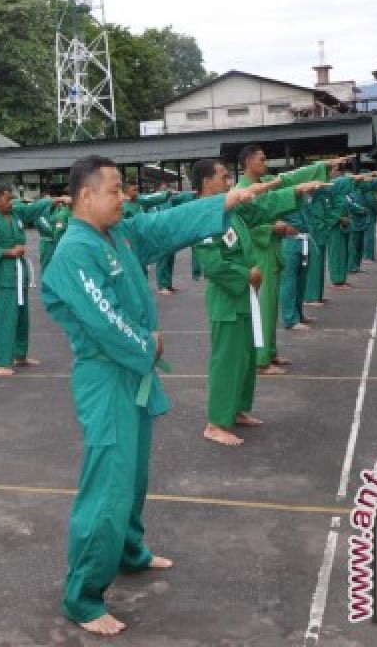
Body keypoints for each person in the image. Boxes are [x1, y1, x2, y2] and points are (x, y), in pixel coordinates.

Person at [41, 155, 263, 636]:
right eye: (116, 190)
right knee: (107, 487)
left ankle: (129, 551)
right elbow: (102, 320)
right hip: (107, 377)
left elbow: (162, 227)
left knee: (134, 475)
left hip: (132, 375)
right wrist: (149, 343)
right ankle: (83, 597)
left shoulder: (117, 234)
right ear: (86, 196)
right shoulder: (74, 251)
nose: (124, 198)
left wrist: (220, 201)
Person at [195, 161, 327, 446]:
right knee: (226, 361)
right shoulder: (204, 216)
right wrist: (246, 275)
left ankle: (237, 410)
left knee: (244, 356)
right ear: (206, 183)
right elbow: (212, 264)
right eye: (222, 177)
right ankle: (216, 422)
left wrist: (297, 191)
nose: (228, 181)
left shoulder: (233, 210)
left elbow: (263, 207)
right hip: (227, 300)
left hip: (245, 295)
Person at [235, 147, 346, 375]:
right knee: (264, 307)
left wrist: (321, 167)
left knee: (271, 306)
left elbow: (291, 179)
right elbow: (245, 227)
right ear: (247, 162)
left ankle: (270, 353)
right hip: (260, 252)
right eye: (262, 159)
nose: (266, 162)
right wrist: (273, 227)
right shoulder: (241, 190)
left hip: (273, 249)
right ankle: (261, 360)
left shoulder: (266, 181)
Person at [0, 185, 68, 376]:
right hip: (4, 277)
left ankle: (20, 355)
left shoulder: (16, 212)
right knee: (5, 320)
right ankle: (0, 361)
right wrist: (9, 252)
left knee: (21, 317)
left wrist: (56, 200)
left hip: (20, 275)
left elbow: (33, 208)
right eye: (6, 198)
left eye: (11, 198)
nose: (10, 202)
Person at [155, 189, 196, 294]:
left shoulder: (172, 201)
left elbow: (184, 197)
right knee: (163, 260)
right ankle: (162, 285)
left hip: (170, 233)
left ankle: (168, 284)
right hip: (161, 233)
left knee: (170, 259)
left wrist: (194, 193)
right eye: (163, 189)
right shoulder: (156, 202)